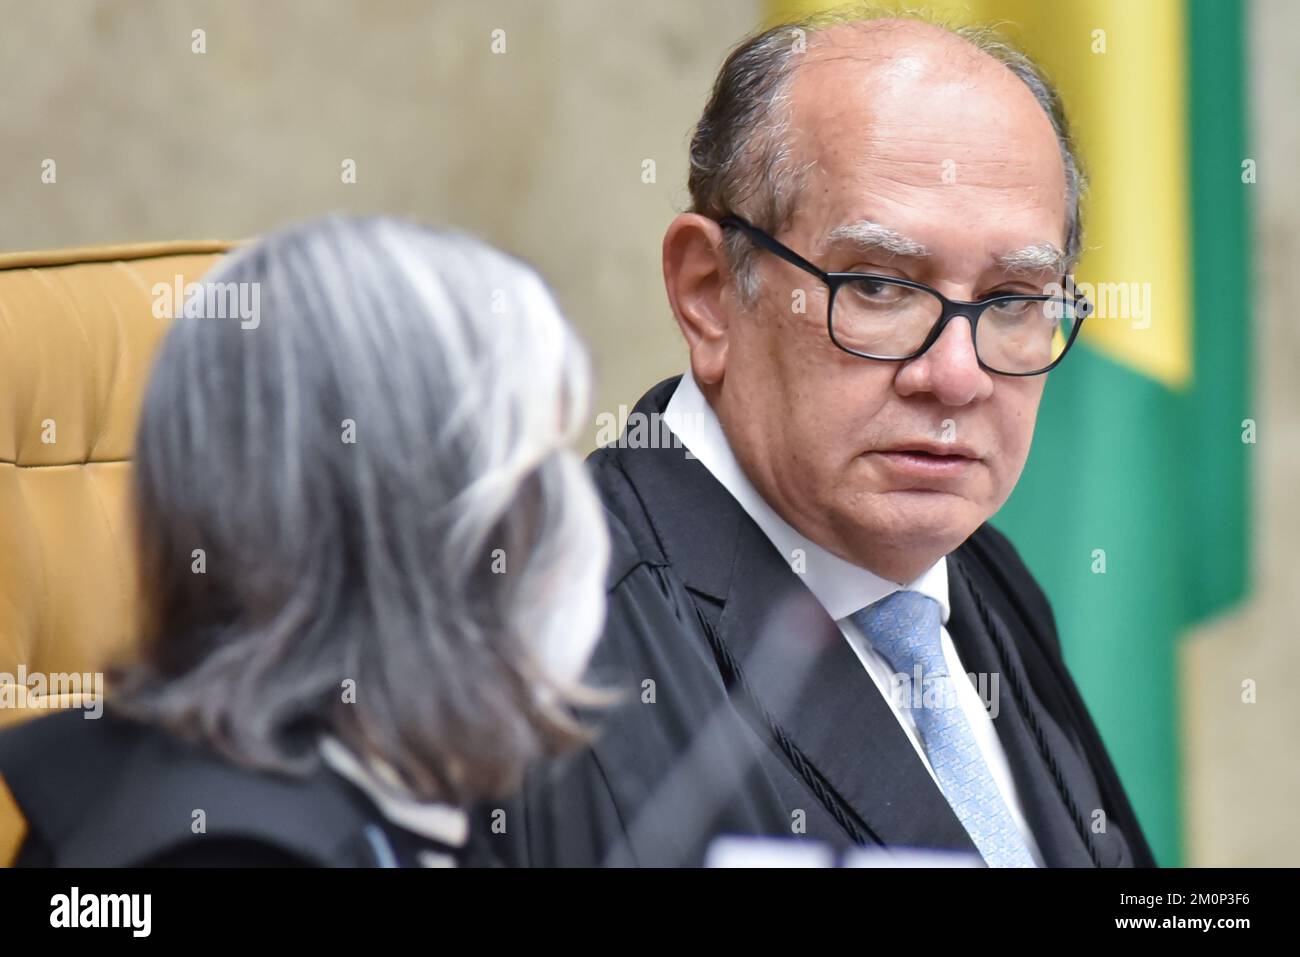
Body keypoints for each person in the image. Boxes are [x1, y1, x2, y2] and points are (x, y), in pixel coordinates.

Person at [478, 12, 1156, 867]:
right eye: (878, 286)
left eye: (1014, 299)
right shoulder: (536, 645)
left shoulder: (988, 576)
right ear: (708, 292)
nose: (955, 377)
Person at [0, 215, 613, 867]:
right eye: (532, 467)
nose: (559, 508)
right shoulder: (228, 854)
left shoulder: (406, 803)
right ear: (403, 530)